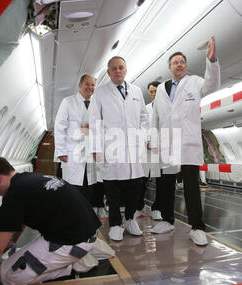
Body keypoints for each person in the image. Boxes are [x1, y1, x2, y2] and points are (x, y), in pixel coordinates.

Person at [0, 156, 104, 285]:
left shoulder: (14, 196)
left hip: (73, 242)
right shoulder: (30, 180)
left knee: (7, 274)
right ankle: (66, 260)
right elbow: (19, 225)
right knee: (17, 257)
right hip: (88, 233)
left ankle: (65, 267)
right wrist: (9, 244)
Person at [150, 36, 220, 245]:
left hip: (188, 143)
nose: (179, 65)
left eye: (182, 62)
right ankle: (167, 220)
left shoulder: (195, 82)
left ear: (185, 65)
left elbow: (212, 85)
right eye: (175, 62)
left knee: (191, 186)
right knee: (165, 185)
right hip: (167, 144)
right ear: (169, 67)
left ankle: (197, 227)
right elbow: (155, 118)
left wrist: (212, 61)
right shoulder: (161, 89)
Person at [88, 56, 149, 241]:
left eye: (120, 67)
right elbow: (94, 122)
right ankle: (115, 224)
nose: (117, 71)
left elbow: (144, 118)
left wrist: (142, 136)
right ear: (108, 72)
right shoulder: (100, 93)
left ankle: (130, 219)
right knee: (113, 190)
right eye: (113, 68)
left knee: (135, 188)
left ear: (126, 69)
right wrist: (96, 148)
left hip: (134, 149)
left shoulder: (137, 91)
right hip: (111, 149)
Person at [54, 74, 101, 215]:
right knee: (72, 187)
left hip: (90, 153)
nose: (90, 87)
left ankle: (84, 217)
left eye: (92, 85)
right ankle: (70, 216)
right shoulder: (68, 102)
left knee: (89, 186)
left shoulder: (97, 104)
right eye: (87, 84)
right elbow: (59, 126)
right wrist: (60, 151)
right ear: (80, 85)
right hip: (72, 152)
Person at [135, 81, 163, 221]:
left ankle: (157, 209)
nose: (153, 94)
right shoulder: (145, 108)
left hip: (161, 149)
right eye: (151, 92)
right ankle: (138, 207)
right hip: (146, 149)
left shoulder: (167, 108)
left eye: (155, 91)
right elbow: (142, 126)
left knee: (160, 180)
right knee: (142, 179)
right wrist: (145, 139)